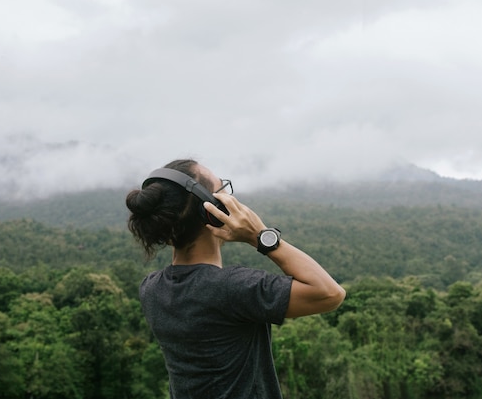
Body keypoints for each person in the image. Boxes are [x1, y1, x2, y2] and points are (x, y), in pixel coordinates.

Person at [126, 158, 346, 399]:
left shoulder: (151, 290)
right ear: (213, 211)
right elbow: (330, 293)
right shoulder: (232, 288)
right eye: (223, 191)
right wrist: (260, 236)